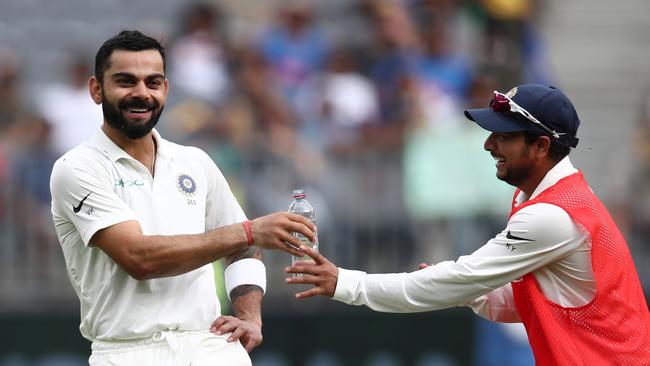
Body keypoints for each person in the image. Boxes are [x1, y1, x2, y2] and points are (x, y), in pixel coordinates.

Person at [286, 84, 650, 364]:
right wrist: (473, 293)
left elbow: (457, 279)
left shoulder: (551, 216)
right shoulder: (550, 200)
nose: (489, 144)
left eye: (504, 136)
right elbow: (539, 302)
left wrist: (347, 283)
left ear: (540, 146)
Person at [49, 30, 315, 366]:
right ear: (96, 89)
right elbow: (139, 259)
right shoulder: (77, 168)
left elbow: (244, 248)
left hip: (210, 343)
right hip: (128, 350)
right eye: (125, 81)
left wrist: (250, 317)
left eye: (153, 82)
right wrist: (249, 231)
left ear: (166, 89)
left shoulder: (195, 161)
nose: (141, 93)